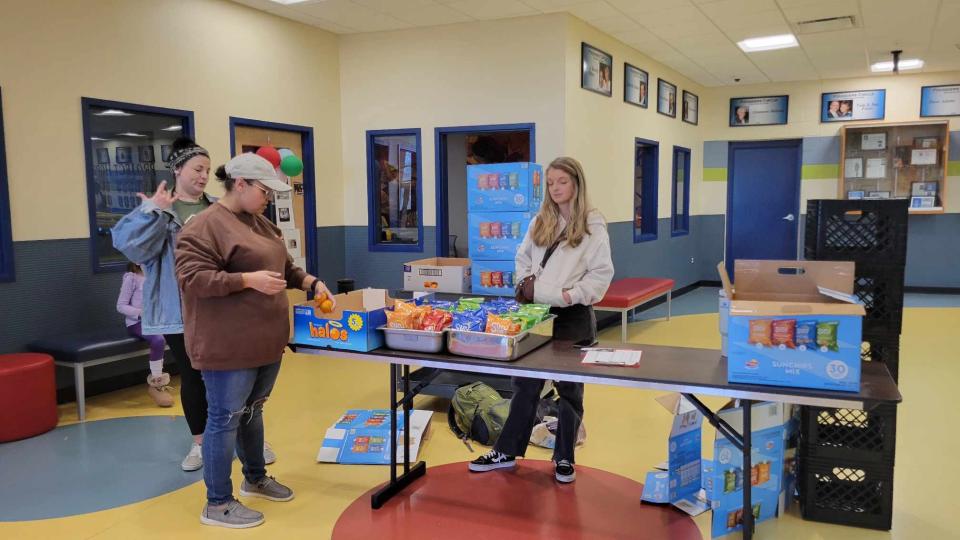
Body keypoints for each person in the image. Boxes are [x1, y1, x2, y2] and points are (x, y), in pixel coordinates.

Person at [175, 153, 335, 528]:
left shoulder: (259, 223)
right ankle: (217, 503)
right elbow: (192, 279)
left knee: (252, 411)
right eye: (265, 191)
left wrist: (309, 282)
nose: (270, 199)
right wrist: (246, 281)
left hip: (265, 342)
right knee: (224, 418)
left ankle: (255, 476)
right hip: (227, 346)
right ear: (240, 184)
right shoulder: (205, 227)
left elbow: (284, 266)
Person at [112, 137, 278, 471]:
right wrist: (152, 212)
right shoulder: (162, 210)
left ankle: (248, 437)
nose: (203, 176)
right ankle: (202, 442)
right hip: (178, 309)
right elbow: (132, 249)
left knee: (237, 375)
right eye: (196, 169)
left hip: (222, 306)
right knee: (193, 375)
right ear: (177, 170)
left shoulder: (219, 206)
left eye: (206, 169)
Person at [468, 156, 614, 484]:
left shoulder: (592, 224)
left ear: (577, 183)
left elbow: (601, 276)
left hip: (572, 316)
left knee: (570, 390)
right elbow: (522, 257)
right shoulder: (541, 220)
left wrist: (568, 296)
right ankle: (506, 450)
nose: (556, 189)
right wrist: (525, 282)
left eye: (562, 181)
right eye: (551, 183)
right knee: (525, 384)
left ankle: (564, 457)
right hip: (536, 314)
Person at [117, 262, 172, 407]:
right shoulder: (131, 278)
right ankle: (156, 384)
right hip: (137, 323)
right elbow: (120, 305)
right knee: (158, 340)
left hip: (156, 320)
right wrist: (140, 313)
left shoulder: (155, 275)